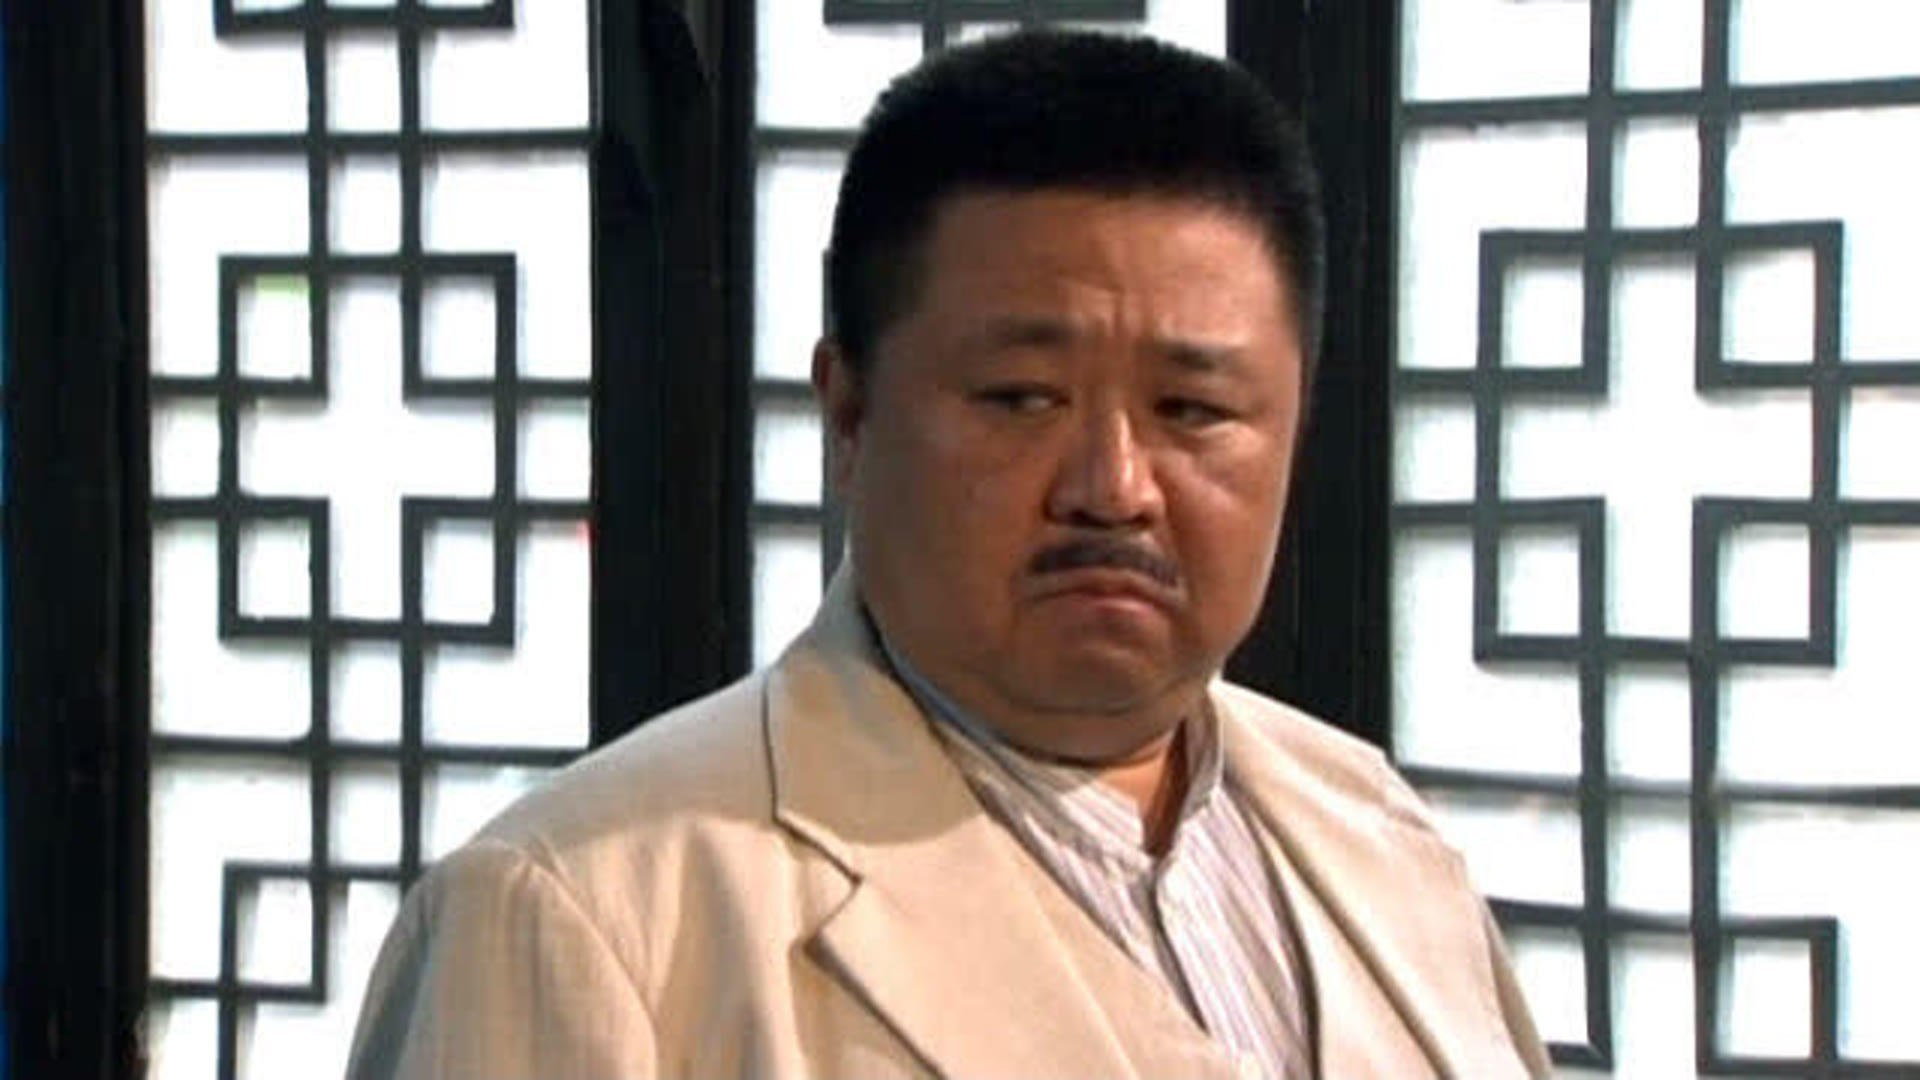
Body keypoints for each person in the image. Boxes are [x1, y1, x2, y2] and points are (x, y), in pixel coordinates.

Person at [347, 29, 1551, 1080]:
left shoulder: (1376, 836)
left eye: (1193, 410)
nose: (1113, 489)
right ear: (848, 412)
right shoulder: (579, 910)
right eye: (1023, 397)